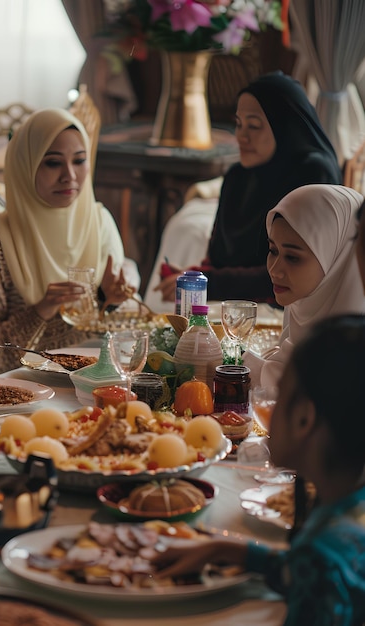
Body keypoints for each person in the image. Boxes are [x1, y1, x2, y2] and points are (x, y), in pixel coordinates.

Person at [155, 313, 365, 625]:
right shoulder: (347, 511)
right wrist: (227, 550)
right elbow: (298, 571)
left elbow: (317, 571)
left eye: (279, 396)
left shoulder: (322, 558)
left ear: (304, 419)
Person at [0, 108, 131, 375]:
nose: (69, 175)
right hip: (15, 392)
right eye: (52, 163)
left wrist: (110, 301)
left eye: (79, 161)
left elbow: (123, 340)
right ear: (25, 166)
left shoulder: (99, 223)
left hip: (92, 384)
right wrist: (39, 312)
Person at [149, 72, 342, 306]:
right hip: (234, 306)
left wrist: (209, 283)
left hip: (291, 307)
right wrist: (192, 276)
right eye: (238, 124)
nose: (241, 136)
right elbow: (218, 258)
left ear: (284, 126)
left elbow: (294, 272)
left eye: (254, 126)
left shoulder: (313, 173)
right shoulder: (237, 176)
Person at [243, 184, 365, 388]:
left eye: (292, 257)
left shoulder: (354, 353)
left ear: (336, 259)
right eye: (273, 250)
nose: (274, 270)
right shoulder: (301, 326)